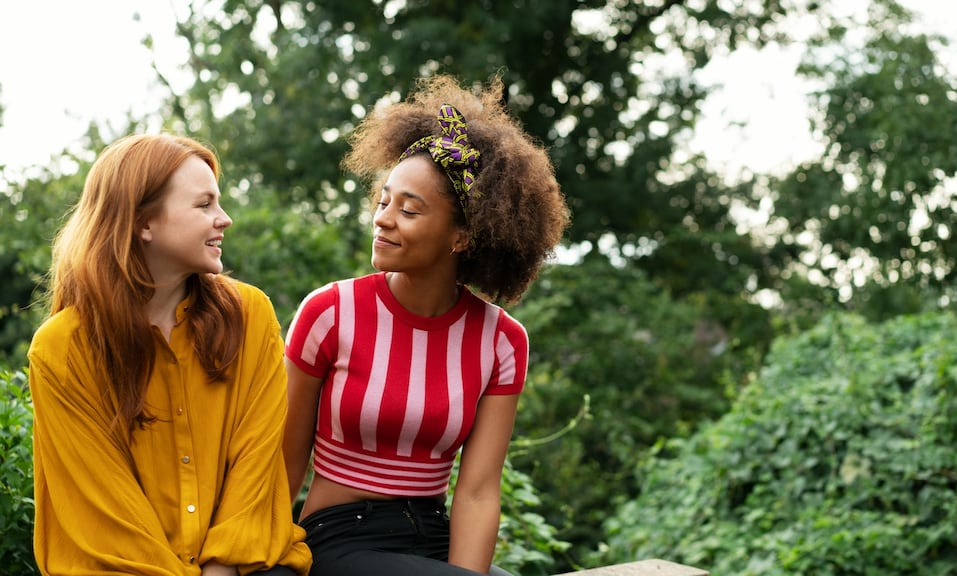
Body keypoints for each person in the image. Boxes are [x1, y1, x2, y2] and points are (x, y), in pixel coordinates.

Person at [282, 75, 570, 576]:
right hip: (339, 538)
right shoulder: (329, 313)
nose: (384, 218)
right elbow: (283, 465)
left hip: (434, 540)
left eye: (409, 209)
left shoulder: (501, 342)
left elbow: (478, 492)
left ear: (461, 236)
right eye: (384, 200)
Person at [28, 133, 313, 576]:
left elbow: (255, 466)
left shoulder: (250, 316)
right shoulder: (61, 349)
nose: (225, 219)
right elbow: (102, 509)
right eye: (204, 205)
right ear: (143, 223)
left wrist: (221, 568)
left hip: (245, 568)